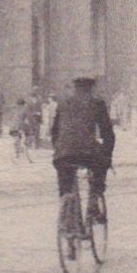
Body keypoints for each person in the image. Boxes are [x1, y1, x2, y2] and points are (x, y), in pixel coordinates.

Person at [51, 76, 115, 216]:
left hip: (63, 154)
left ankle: (66, 205)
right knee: (100, 166)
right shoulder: (97, 103)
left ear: (75, 88)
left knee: (65, 182)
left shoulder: (63, 104)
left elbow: (54, 131)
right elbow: (108, 134)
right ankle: (94, 199)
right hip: (88, 152)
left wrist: (58, 149)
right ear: (91, 88)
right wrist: (107, 155)